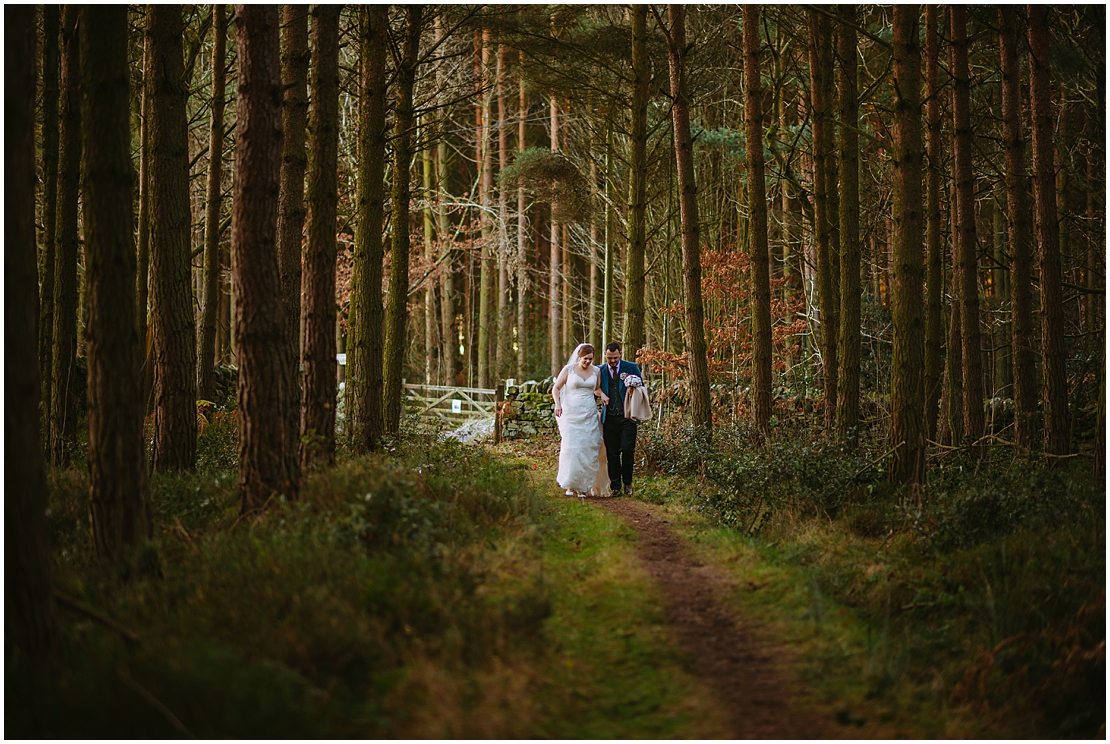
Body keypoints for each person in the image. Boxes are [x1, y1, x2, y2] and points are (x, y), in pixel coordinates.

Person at [552, 343, 608, 498]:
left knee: (587, 447)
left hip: (588, 413)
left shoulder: (596, 371)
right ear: (579, 357)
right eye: (585, 359)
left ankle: (583, 486)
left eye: (590, 359)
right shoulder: (569, 369)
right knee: (572, 447)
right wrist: (557, 403)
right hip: (570, 413)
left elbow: (595, 388)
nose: (587, 362)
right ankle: (570, 484)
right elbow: (556, 388)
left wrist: (602, 395)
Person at [598, 342, 643, 497]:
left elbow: (642, 386)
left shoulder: (631, 367)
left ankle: (628, 484)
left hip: (628, 416)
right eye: (610, 358)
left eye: (615, 358)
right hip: (609, 418)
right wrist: (602, 395)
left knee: (627, 449)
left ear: (621, 354)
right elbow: (594, 388)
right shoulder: (600, 370)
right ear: (605, 355)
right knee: (612, 453)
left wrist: (634, 387)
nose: (613, 361)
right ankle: (615, 486)